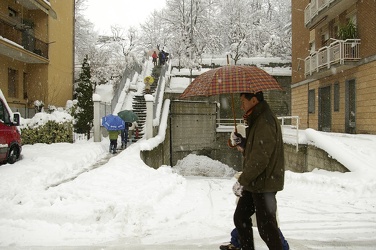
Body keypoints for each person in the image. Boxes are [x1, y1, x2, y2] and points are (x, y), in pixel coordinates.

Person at [229, 91, 285, 250]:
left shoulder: (264, 121)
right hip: (256, 182)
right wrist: (244, 143)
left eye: (243, 102)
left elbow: (260, 159)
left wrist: (242, 181)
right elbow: (258, 149)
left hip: (264, 183)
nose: (241, 106)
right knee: (241, 218)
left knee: (267, 228)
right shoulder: (258, 118)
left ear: (253, 100)